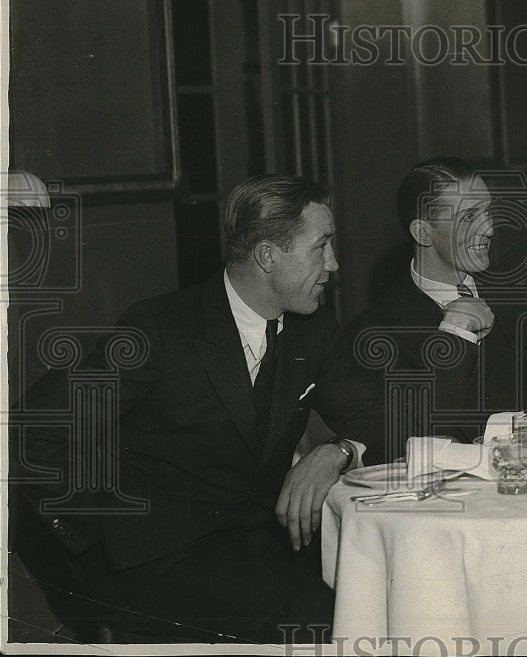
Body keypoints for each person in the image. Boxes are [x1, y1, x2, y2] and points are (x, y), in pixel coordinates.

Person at [13, 175, 384, 643]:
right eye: (322, 245)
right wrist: (98, 540)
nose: (334, 264)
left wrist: (338, 451)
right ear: (269, 256)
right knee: (327, 622)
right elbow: (32, 431)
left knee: (374, 597)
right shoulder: (159, 330)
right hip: (153, 562)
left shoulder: (314, 331)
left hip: (261, 547)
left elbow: (379, 413)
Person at [334, 156, 527, 461]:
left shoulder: (522, 296)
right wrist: (454, 334)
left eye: (487, 212)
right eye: (469, 217)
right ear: (423, 233)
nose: (490, 229)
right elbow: (406, 439)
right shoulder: (374, 331)